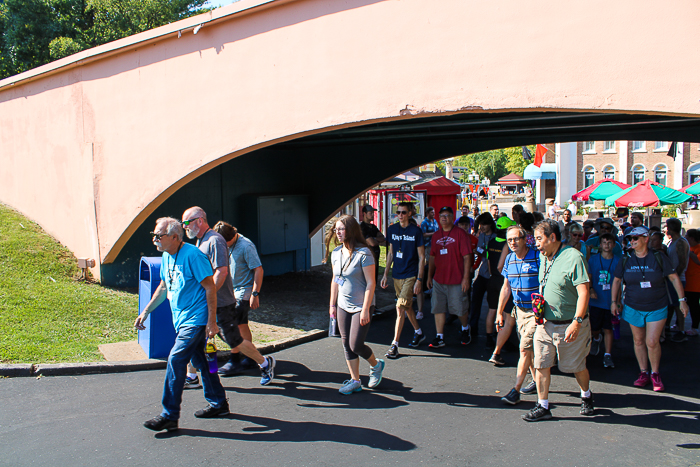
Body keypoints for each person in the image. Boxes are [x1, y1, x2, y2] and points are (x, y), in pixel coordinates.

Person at [136, 217, 228, 432]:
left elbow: (210, 288)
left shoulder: (193, 256)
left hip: (195, 320)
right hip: (181, 319)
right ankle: (219, 403)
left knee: (176, 359)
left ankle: (169, 415)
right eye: (154, 235)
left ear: (175, 237)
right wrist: (146, 312)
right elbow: (163, 287)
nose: (154, 239)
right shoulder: (167, 256)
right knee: (204, 364)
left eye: (159, 236)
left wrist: (211, 322)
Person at [181, 208, 275, 385]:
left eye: (187, 222)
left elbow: (221, 272)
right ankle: (191, 376)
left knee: (234, 341)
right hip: (206, 301)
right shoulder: (201, 240)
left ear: (200, 220)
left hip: (221, 302)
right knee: (194, 337)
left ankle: (264, 362)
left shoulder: (215, 240)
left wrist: (209, 295)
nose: (185, 227)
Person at [522, 219, 593, 422]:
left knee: (576, 367)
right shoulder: (545, 256)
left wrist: (577, 322)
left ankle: (586, 395)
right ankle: (543, 405)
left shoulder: (573, 257)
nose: (536, 244)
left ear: (552, 237)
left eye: (538, 239)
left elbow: (584, 292)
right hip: (545, 323)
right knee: (541, 364)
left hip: (570, 324)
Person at [611, 226, 688, 392]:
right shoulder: (626, 258)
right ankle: (643, 372)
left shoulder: (658, 256)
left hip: (657, 306)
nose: (632, 241)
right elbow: (617, 280)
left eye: (636, 238)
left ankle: (655, 373)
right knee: (638, 341)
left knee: (652, 341)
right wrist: (613, 301)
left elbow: (674, 278)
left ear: (646, 239)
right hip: (633, 306)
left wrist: (682, 300)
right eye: (630, 238)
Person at [326, 215, 384, 394]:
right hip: (343, 304)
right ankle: (355, 380)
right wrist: (332, 304)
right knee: (345, 343)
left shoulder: (364, 253)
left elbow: (371, 283)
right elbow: (336, 279)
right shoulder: (336, 253)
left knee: (356, 344)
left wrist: (366, 308)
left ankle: (376, 365)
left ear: (351, 230)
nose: (338, 232)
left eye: (341, 229)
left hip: (361, 305)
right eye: (336, 229)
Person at [212, 221, 267, 376]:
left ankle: (235, 360)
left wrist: (255, 294)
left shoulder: (246, 246)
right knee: (242, 326)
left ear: (233, 236)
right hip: (230, 291)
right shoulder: (221, 244)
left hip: (243, 292)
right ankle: (250, 357)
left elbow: (258, 269)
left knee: (231, 326)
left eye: (226, 243)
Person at [496, 225, 540, 404]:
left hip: (535, 312)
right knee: (528, 350)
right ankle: (538, 382)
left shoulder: (538, 257)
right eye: (509, 240)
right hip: (519, 310)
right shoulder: (509, 259)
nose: (512, 243)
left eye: (516, 239)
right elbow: (506, 287)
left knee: (524, 348)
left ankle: (516, 390)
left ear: (524, 240)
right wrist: (499, 312)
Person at [381, 201, 426, 358]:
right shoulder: (392, 230)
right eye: (398, 212)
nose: (400, 215)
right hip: (397, 274)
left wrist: (419, 279)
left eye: (403, 212)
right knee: (407, 306)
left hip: (411, 274)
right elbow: (391, 253)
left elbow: (422, 257)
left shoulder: (416, 232)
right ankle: (418, 331)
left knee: (400, 307)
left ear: (409, 214)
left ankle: (394, 344)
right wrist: (385, 273)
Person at [426, 207, 473, 348]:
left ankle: (465, 328)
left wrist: (466, 278)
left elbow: (467, 256)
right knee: (438, 308)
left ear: (453, 217)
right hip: (439, 279)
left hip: (457, 279)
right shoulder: (436, 235)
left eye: (447, 215)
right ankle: (439, 336)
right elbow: (432, 257)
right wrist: (429, 276)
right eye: (441, 216)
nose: (444, 218)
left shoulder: (460, 234)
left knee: (460, 308)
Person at [587, 233, 621, 369]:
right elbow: (589, 276)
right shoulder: (593, 260)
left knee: (608, 328)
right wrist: (590, 289)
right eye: (604, 243)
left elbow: (619, 283)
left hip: (610, 301)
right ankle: (596, 338)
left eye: (609, 243)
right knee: (594, 327)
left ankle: (607, 354)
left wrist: (618, 301)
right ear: (600, 245)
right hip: (596, 301)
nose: (607, 245)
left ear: (614, 245)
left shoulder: (618, 261)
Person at [485, 216, 516, 356]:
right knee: (504, 312)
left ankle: (488, 338)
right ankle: (503, 340)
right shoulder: (508, 246)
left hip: (492, 279)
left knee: (491, 310)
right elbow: (500, 266)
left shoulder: (491, 242)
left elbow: (488, 261)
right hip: (503, 281)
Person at [470, 213, 497, 338]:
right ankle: (472, 327)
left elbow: (487, 254)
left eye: (484, 224)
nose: (482, 227)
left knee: (493, 305)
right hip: (482, 273)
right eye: (481, 225)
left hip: (493, 275)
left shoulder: (496, 237)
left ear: (490, 224)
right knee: (475, 301)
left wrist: (483, 252)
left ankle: (493, 331)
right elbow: (481, 253)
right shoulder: (481, 236)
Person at [665, 218, 689, 342]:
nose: (666, 228)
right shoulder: (672, 242)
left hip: (678, 278)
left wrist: (675, 278)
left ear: (671, 228)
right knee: (671, 304)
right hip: (672, 278)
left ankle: (682, 330)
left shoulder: (680, 242)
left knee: (678, 305)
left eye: (667, 226)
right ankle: (668, 326)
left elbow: (682, 263)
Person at [360, 204, 386, 315]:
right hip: (367, 259)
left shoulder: (373, 227)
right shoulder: (362, 227)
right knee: (367, 283)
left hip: (375, 259)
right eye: (370, 213)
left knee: (373, 282)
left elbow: (383, 238)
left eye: (373, 213)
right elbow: (372, 242)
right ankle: (367, 307)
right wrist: (376, 240)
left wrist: (376, 239)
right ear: (364, 214)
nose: (372, 215)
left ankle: (373, 306)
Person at [419, 207, 439, 319]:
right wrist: (433, 234)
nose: (433, 214)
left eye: (434, 212)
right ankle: (427, 283)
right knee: (427, 265)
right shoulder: (424, 223)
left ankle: (431, 285)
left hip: (436, 247)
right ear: (427, 213)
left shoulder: (435, 221)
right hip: (427, 247)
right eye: (432, 212)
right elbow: (423, 234)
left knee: (435, 266)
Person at [684, 229, 700, 336]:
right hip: (686, 283)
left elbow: (698, 261)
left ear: (692, 238)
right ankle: (679, 325)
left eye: (687, 236)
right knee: (686, 305)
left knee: (694, 307)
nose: (685, 237)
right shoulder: (689, 248)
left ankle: (694, 328)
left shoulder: (698, 248)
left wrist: (688, 252)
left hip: (695, 284)